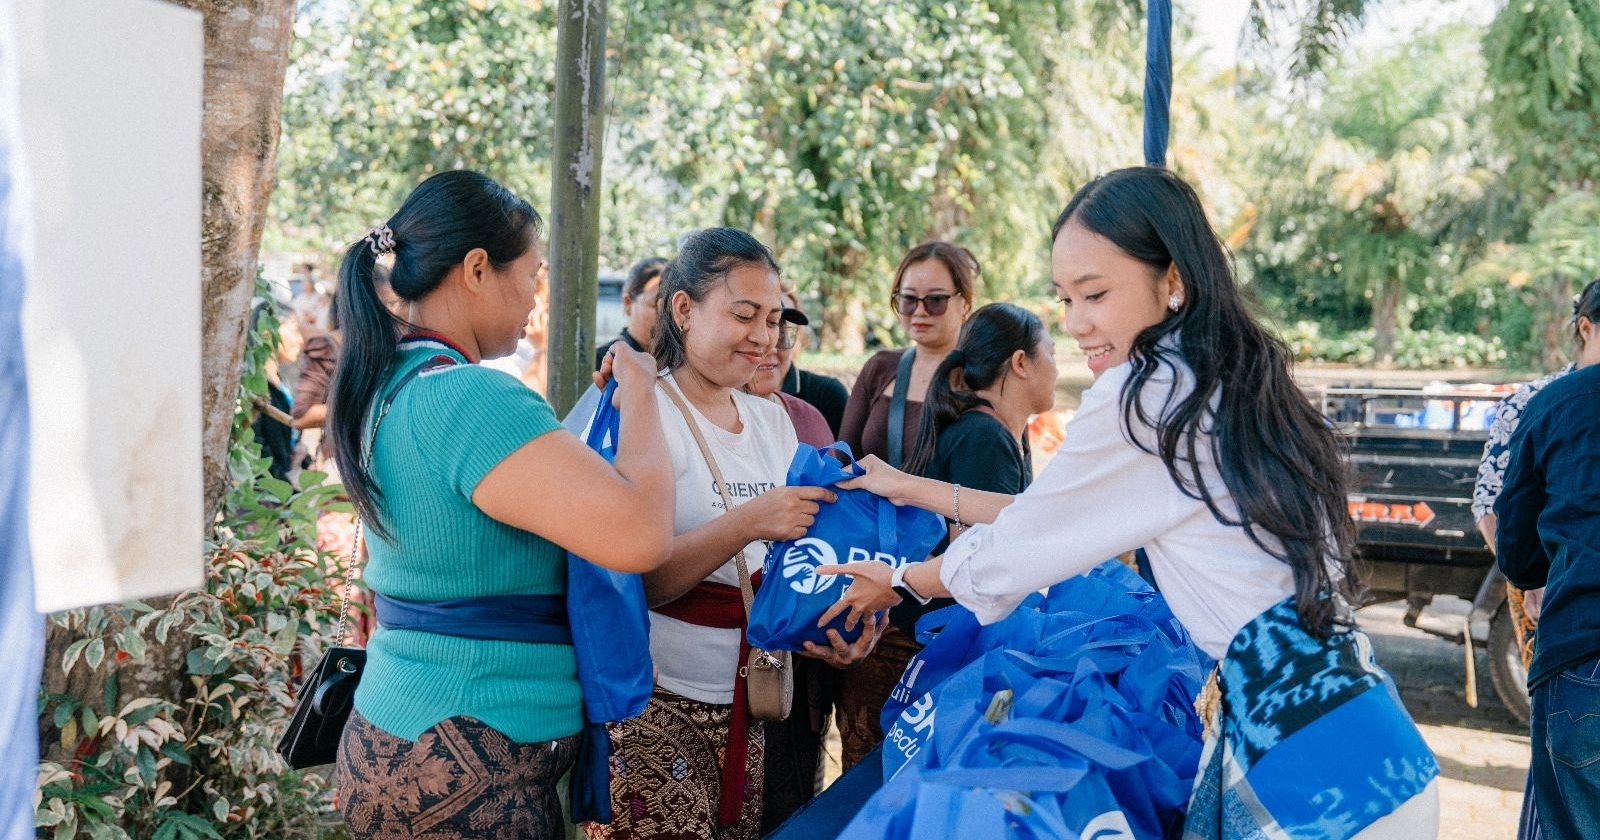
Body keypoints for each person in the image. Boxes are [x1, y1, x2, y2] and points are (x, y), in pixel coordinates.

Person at [819, 167, 1440, 839]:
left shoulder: (1145, 397)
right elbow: (1051, 518)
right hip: (1367, 735)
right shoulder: (1236, 378)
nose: (1076, 323)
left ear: (1172, 280)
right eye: (1065, 299)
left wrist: (903, 580)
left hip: (1307, 774)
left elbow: (1019, 548)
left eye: (1095, 294)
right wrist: (912, 493)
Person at [326, 170, 677, 840]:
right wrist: (641, 389)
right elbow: (642, 534)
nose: (535, 298)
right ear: (478, 269)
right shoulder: (472, 398)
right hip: (472, 758)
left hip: (396, 731)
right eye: (531, 275)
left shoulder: (384, 384)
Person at [589, 228, 875, 840]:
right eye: (744, 315)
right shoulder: (643, 410)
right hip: (652, 706)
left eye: (774, 319)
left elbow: (790, 565)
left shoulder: (771, 420)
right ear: (684, 309)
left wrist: (836, 630)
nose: (764, 337)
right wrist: (748, 521)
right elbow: (644, 578)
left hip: (752, 700)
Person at [833, 240, 977, 768]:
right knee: (855, 758)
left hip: (942, 606)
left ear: (965, 302)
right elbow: (841, 467)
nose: (918, 312)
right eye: (906, 299)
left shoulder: (982, 382)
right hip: (868, 597)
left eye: (935, 301)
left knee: (913, 765)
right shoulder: (882, 369)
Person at [1495, 281, 1600, 840]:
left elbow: (1514, 541)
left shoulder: (1554, 403)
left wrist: (1539, 574)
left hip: (1582, 655)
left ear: (1585, 325)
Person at [891, 301, 1056, 635]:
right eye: (1050, 353)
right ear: (1021, 363)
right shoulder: (984, 439)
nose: (1057, 368)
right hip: (938, 630)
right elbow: (974, 566)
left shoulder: (994, 430)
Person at [774, 297, 849, 436]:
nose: (770, 348)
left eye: (781, 334)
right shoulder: (728, 400)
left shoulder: (826, 394)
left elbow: (844, 455)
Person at [594, 255, 667, 370]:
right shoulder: (603, 361)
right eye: (657, 306)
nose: (667, 315)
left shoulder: (682, 365)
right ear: (628, 303)